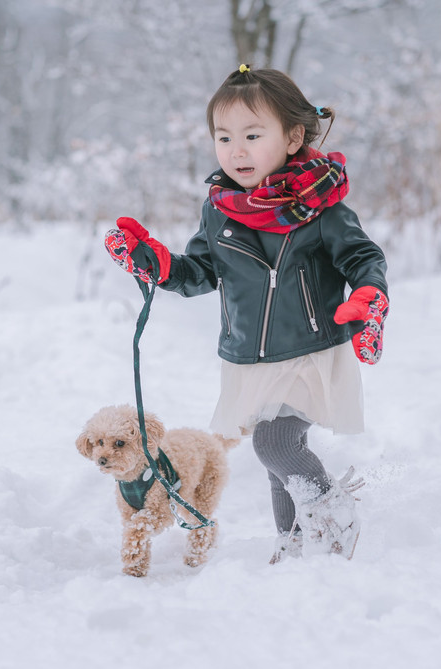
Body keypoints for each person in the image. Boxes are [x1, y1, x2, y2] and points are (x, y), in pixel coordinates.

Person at [104, 65, 389, 563]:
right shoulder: (219, 209)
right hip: (250, 357)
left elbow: (364, 258)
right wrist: (156, 263)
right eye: (224, 137)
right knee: (274, 451)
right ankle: (294, 543)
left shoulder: (322, 209)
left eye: (253, 135)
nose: (237, 150)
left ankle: (333, 513)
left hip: (309, 348)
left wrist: (369, 296)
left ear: (293, 136)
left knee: (276, 443)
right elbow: (200, 271)